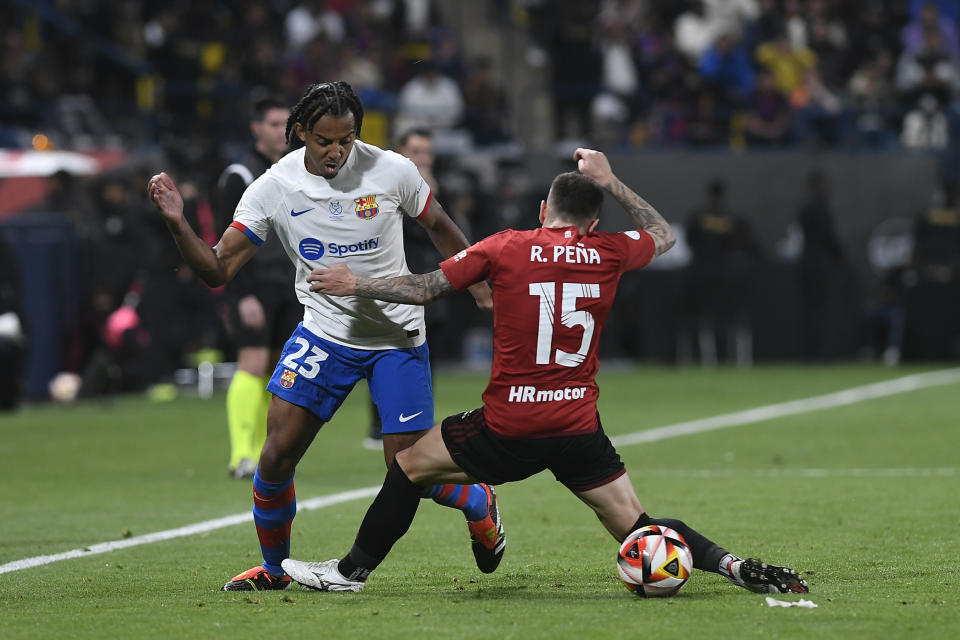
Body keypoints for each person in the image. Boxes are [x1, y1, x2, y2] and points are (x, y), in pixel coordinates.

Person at [279, 148, 809, 596]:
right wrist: (612, 180)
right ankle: (733, 566)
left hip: (507, 425)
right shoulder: (610, 250)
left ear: (542, 210)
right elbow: (664, 234)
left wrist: (357, 283)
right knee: (638, 527)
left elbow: (423, 288)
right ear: (593, 222)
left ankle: (350, 573)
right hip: (577, 430)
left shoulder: (505, 246)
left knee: (409, 467)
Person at [147, 81, 501, 592]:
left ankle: (478, 500)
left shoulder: (391, 169)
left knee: (408, 474)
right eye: (324, 141)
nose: (336, 151)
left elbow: (440, 226)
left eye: (347, 139)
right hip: (324, 335)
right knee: (274, 457)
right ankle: (274, 570)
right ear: (300, 134)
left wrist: (473, 281)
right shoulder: (273, 186)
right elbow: (218, 270)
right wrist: (179, 224)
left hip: (396, 338)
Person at [215, 95, 301, 479]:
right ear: (255, 129)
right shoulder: (240, 175)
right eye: (272, 124)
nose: (279, 132)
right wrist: (242, 293)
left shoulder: (294, 171)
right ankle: (241, 456)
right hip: (255, 287)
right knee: (252, 364)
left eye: (285, 124)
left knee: (283, 370)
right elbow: (226, 242)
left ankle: (270, 455)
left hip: (290, 284)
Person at [363, 128, 442, 450]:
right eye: (416, 151)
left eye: (427, 152)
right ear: (401, 152)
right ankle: (378, 424)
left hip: (429, 278)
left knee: (425, 352)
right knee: (386, 350)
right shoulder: (386, 186)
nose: (422, 158)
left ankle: (419, 419)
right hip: (395, 282)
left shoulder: (436, 187)